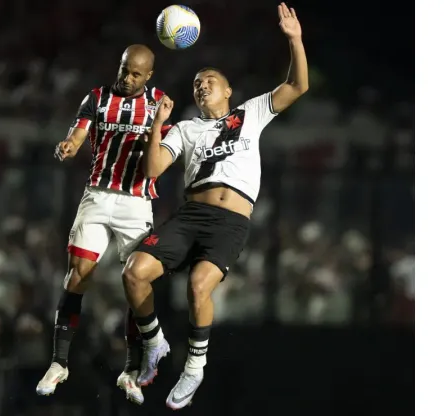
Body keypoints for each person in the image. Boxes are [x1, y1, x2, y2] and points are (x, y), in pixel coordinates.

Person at [121, 3, 309, 409]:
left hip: (230, 222)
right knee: (135, 273)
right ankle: (154, 343)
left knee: (198, 286)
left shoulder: (250, 113)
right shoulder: (186, 127)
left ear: (228, 92)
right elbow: (153, 167)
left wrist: (294, 39)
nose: (202, 85)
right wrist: (157, 123)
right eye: (196, 82)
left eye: (210, 80)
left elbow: (297, 86)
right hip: (191, 216)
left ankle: (194, 367)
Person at [35, 44, 172, 405]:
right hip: (97, 194)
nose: (127, 79)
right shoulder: (96, 98)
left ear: (149, 76)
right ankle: (59, 362)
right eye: (124, 70)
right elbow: (78, 135)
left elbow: (158, 158)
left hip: (137, 202)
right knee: (78, 274)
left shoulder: (161, 104)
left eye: (135, 74)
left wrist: (155, 132)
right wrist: (69, 145)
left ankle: (130, 369)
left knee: (135, 282)